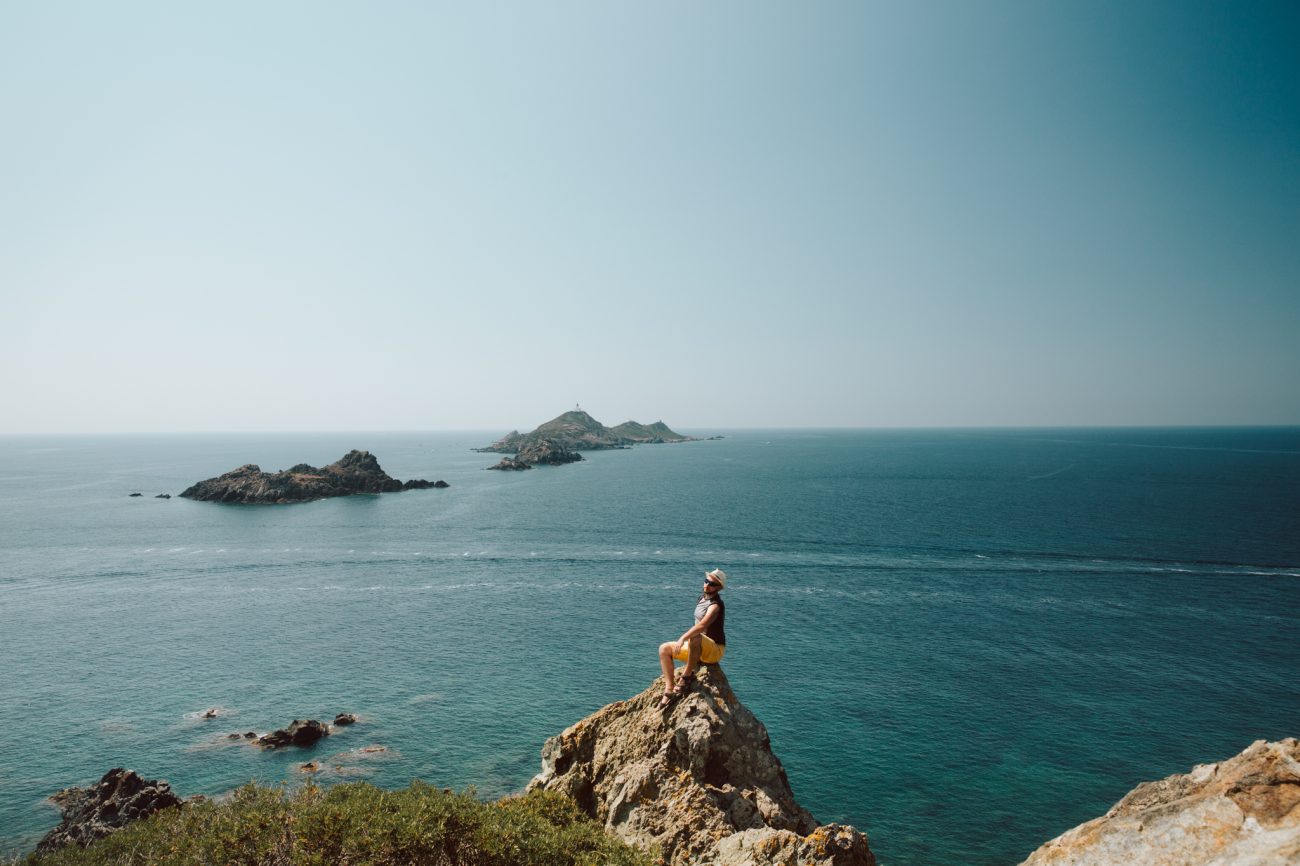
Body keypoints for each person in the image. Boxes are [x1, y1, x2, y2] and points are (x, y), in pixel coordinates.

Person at [658, 568, 727, 708]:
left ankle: (686, 677)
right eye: (706, 581)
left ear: (719, 588)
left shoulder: (716, 606)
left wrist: (683, 638)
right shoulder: (702, 598)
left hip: (714, 650)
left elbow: (702, 626)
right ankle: (669, 689)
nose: (707, 585)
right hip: (698, 648)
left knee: (695, 637)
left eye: (712, 584)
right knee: (664, 649)